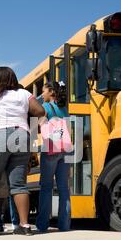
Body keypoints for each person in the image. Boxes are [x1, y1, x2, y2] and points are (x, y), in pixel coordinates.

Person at [0, 67, 45, 236]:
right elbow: (40, 111)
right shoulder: (23, 94)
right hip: (22, 135)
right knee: (18, 184)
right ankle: (24, 225)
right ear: (13, 78)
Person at [36, 82, 71, 232]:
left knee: (46, 187)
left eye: (43, 91)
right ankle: (65, 226)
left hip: (51, 149)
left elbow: (42, 126)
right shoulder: (64, 108)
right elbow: (69, 129)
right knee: (64, 188)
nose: (41, 94)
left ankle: (43, 225)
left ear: (51, 91)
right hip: (66, 149)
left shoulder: (45, 107)